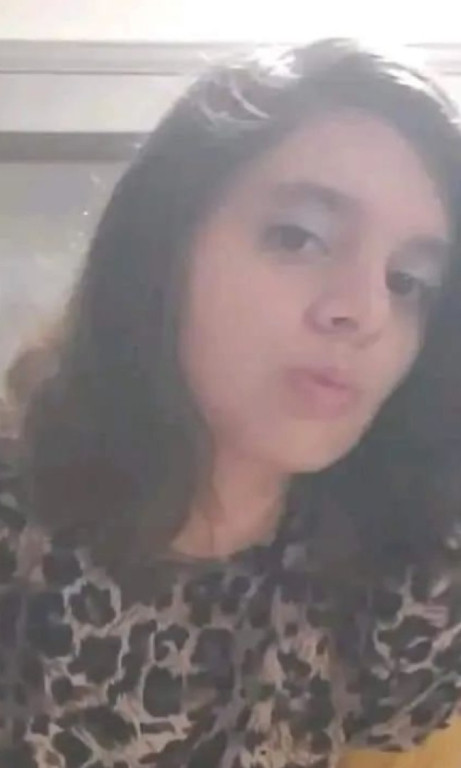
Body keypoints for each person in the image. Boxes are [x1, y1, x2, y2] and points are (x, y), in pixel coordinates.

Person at [2, 38, 461, 768]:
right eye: (299, 238)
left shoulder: (408, 569)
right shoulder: (20, 526)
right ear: (163, 246)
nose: (365, 311)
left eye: (407, 282)